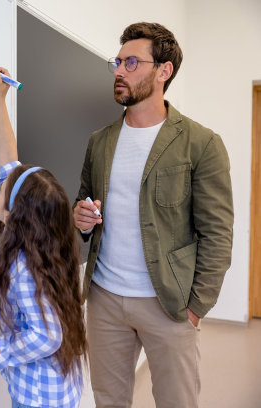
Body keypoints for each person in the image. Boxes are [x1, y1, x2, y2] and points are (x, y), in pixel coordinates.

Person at [73, 22, 233, 407]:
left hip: (169, 303)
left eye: (131, 62)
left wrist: (195, 309)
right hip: (104, 298)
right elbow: (83, 203)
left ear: (164, 71)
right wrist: (81, 218)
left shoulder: (201, 143)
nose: (118, 71)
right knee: (108, 400)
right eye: (118, 61)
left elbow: (218, 235)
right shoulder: (100, 141)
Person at [0, 68, 87, 408]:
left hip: (41, 397)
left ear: (12, 214)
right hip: (53, 389)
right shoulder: (44, 241)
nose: (0, 184)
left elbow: (47, 335)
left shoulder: (24, 266)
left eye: (3, 189)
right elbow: (9, 163)